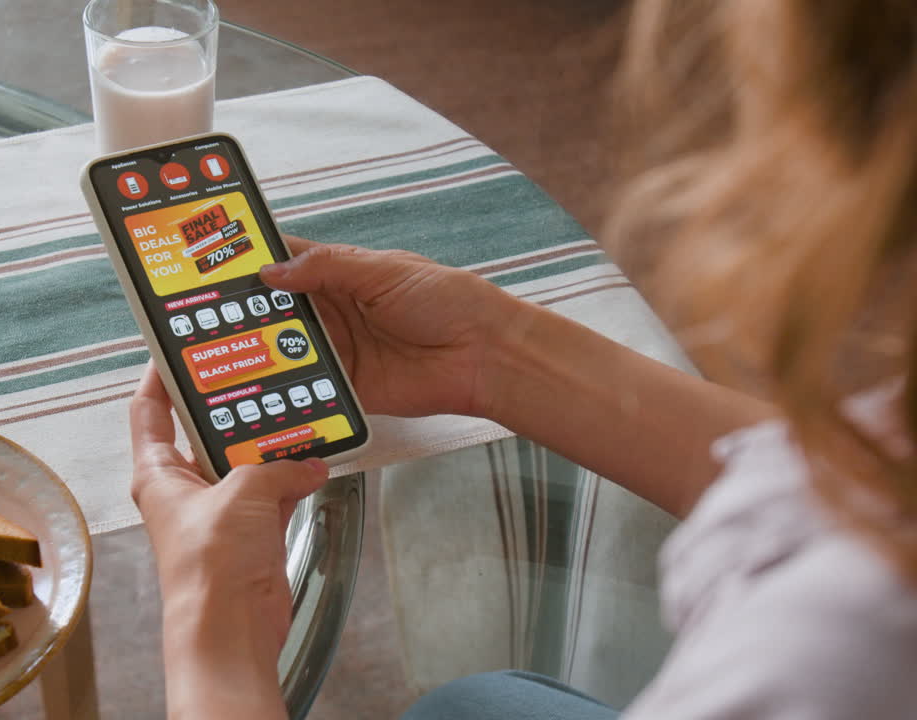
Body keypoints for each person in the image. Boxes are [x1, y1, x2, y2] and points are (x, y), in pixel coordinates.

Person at [127, 0, 917, 717]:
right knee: (475, 707)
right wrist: (492, 352)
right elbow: (864, 489)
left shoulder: (833, 654)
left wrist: (212, 625)